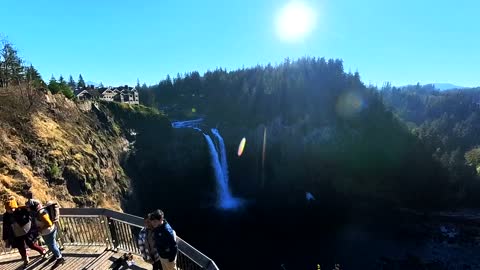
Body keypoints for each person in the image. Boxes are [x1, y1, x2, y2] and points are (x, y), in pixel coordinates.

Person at [2, 196, 46, 268]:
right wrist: (5, 238)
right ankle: (25, 259)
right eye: (9, 209)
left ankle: (42, 251)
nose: (11, 210)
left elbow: (31, 211)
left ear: (15, 206)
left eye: (12, 208)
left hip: (27, 231)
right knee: (20, 247)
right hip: (16, 233)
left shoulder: (21, 210)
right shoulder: (6, 216)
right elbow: (5, 227)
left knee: (32, 244)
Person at [26, 199, 65, 268]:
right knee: (53, 243)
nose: (28, 209)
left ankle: (60, 258)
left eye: (29, 207)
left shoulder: (41, 213)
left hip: (48, 232)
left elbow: (49, 223)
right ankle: (56, 254)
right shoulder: (40, 210)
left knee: (51, 245)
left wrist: (40, 229)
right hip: (50, 230)